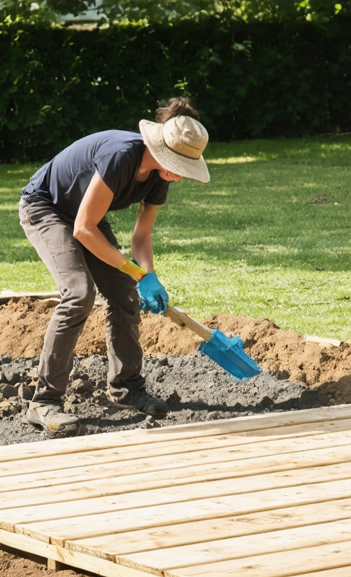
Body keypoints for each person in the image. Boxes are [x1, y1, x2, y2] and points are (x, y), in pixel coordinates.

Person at [17, 98, 210, 437]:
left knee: (125, 295)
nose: (179, 175)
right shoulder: (120, 156)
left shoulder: (160, 177)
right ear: (161, 147)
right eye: (177, 164)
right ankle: (43, 402)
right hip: (45, 207)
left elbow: (141, 238)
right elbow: (82, 230)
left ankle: (127, 388)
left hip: (85, 214)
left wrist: (148, 276)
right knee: (78, 293)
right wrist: (137, 273)